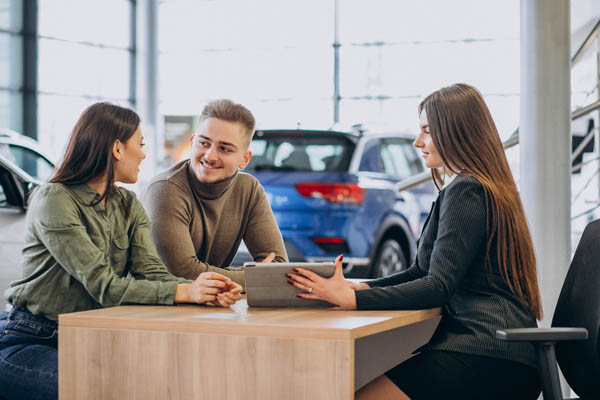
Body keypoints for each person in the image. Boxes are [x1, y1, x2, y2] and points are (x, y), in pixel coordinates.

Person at [288, 83, 543, 400]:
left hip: (488, 352)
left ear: (456, 132)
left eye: (427, 131)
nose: (417, 141)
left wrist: (351, 301)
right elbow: (422, 270)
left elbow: (438, 286)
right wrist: (363, 288)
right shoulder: (477, 185)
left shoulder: (467, 189)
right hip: (503, 352)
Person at [0, 102, 242, 400]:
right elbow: (104, 286)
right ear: (117, 148)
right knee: (101, 389)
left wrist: (201, 290)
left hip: (95, 336)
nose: (143, 154)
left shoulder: (127, 203)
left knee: (171, 381)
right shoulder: (54, 199)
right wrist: (184, 293)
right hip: (33, 338)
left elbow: (151, 272)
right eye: (139, 145)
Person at [142, 99, 287, 288]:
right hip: (149, 310)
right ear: (192, 142)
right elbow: (184, 272)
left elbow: (278, 267)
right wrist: (254, 276)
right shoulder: (165, 189)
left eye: (224, 148)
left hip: (206, 304)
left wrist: (254, 276)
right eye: (204, 143)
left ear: (245, 159)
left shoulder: (249, 189)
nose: (210, 156)